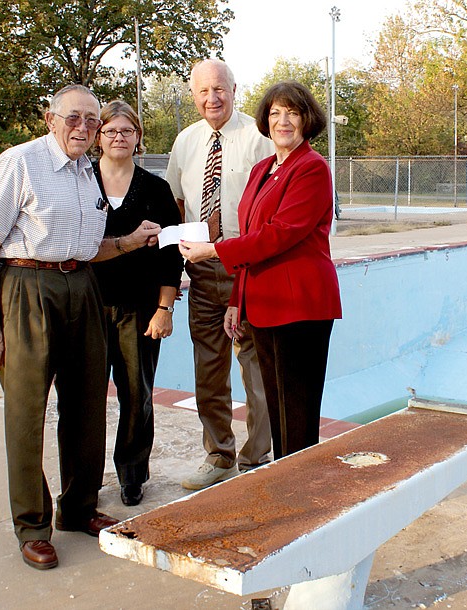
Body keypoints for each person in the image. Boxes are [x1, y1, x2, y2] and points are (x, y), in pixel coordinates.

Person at [0, 84, 160, 571]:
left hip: (82, 285)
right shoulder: (20, 162)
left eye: (91, 121)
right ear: (51, 119)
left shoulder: (85, 175)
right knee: (28, 411)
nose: (83, 127)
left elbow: (91, 246)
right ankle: (32, 525)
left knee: (87, 404)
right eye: (73, 118)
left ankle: (77, 508)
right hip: (27, 287)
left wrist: (130, 242)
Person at [179, 80, 342, 459]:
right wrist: (237, 299)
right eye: (275, 113)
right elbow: (252, 234)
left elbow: (279, 234)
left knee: (297, 414)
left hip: (300, 306)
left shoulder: (312, 169)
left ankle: (301, 498)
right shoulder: (262, 169)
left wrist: (214, 250)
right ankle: (286, 486)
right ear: (265, 121)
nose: (283, 121)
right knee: (277, 405)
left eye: (293, 113)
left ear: (307, 120)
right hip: (265, 303)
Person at [165, 58, 275, 490]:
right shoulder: (186, 142)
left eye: (220, 88)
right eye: (203, 91)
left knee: (255, 369)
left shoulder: (258, 138)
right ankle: (219, 455)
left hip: (247, 270)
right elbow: (176, 203)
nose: (212, 98)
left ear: (234, 87)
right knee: (208, 369)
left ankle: (257, 457)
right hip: (203, 272)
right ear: (193, 96)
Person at [91, 100, 183, 507]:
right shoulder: (79, 183)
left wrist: (165, 308)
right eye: (110, 130)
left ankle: (132, 474)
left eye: (127, 131)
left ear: (138, 138)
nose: (118, 137)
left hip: (139, 308)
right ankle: (84, 476)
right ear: (98, 137)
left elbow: (171, 256)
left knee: (136, 394)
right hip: (87, 306)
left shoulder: (155, 189)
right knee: (85, 396)